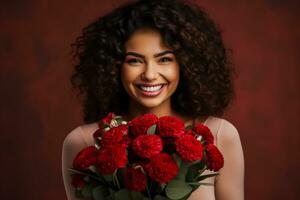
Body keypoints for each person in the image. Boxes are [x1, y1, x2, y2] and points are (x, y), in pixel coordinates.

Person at [62, 0, 244, 199]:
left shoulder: (220, 135)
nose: (149, 74)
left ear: (185, 64)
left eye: (164, 59)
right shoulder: (82, 142)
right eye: (134, 61)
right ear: (114, 66)